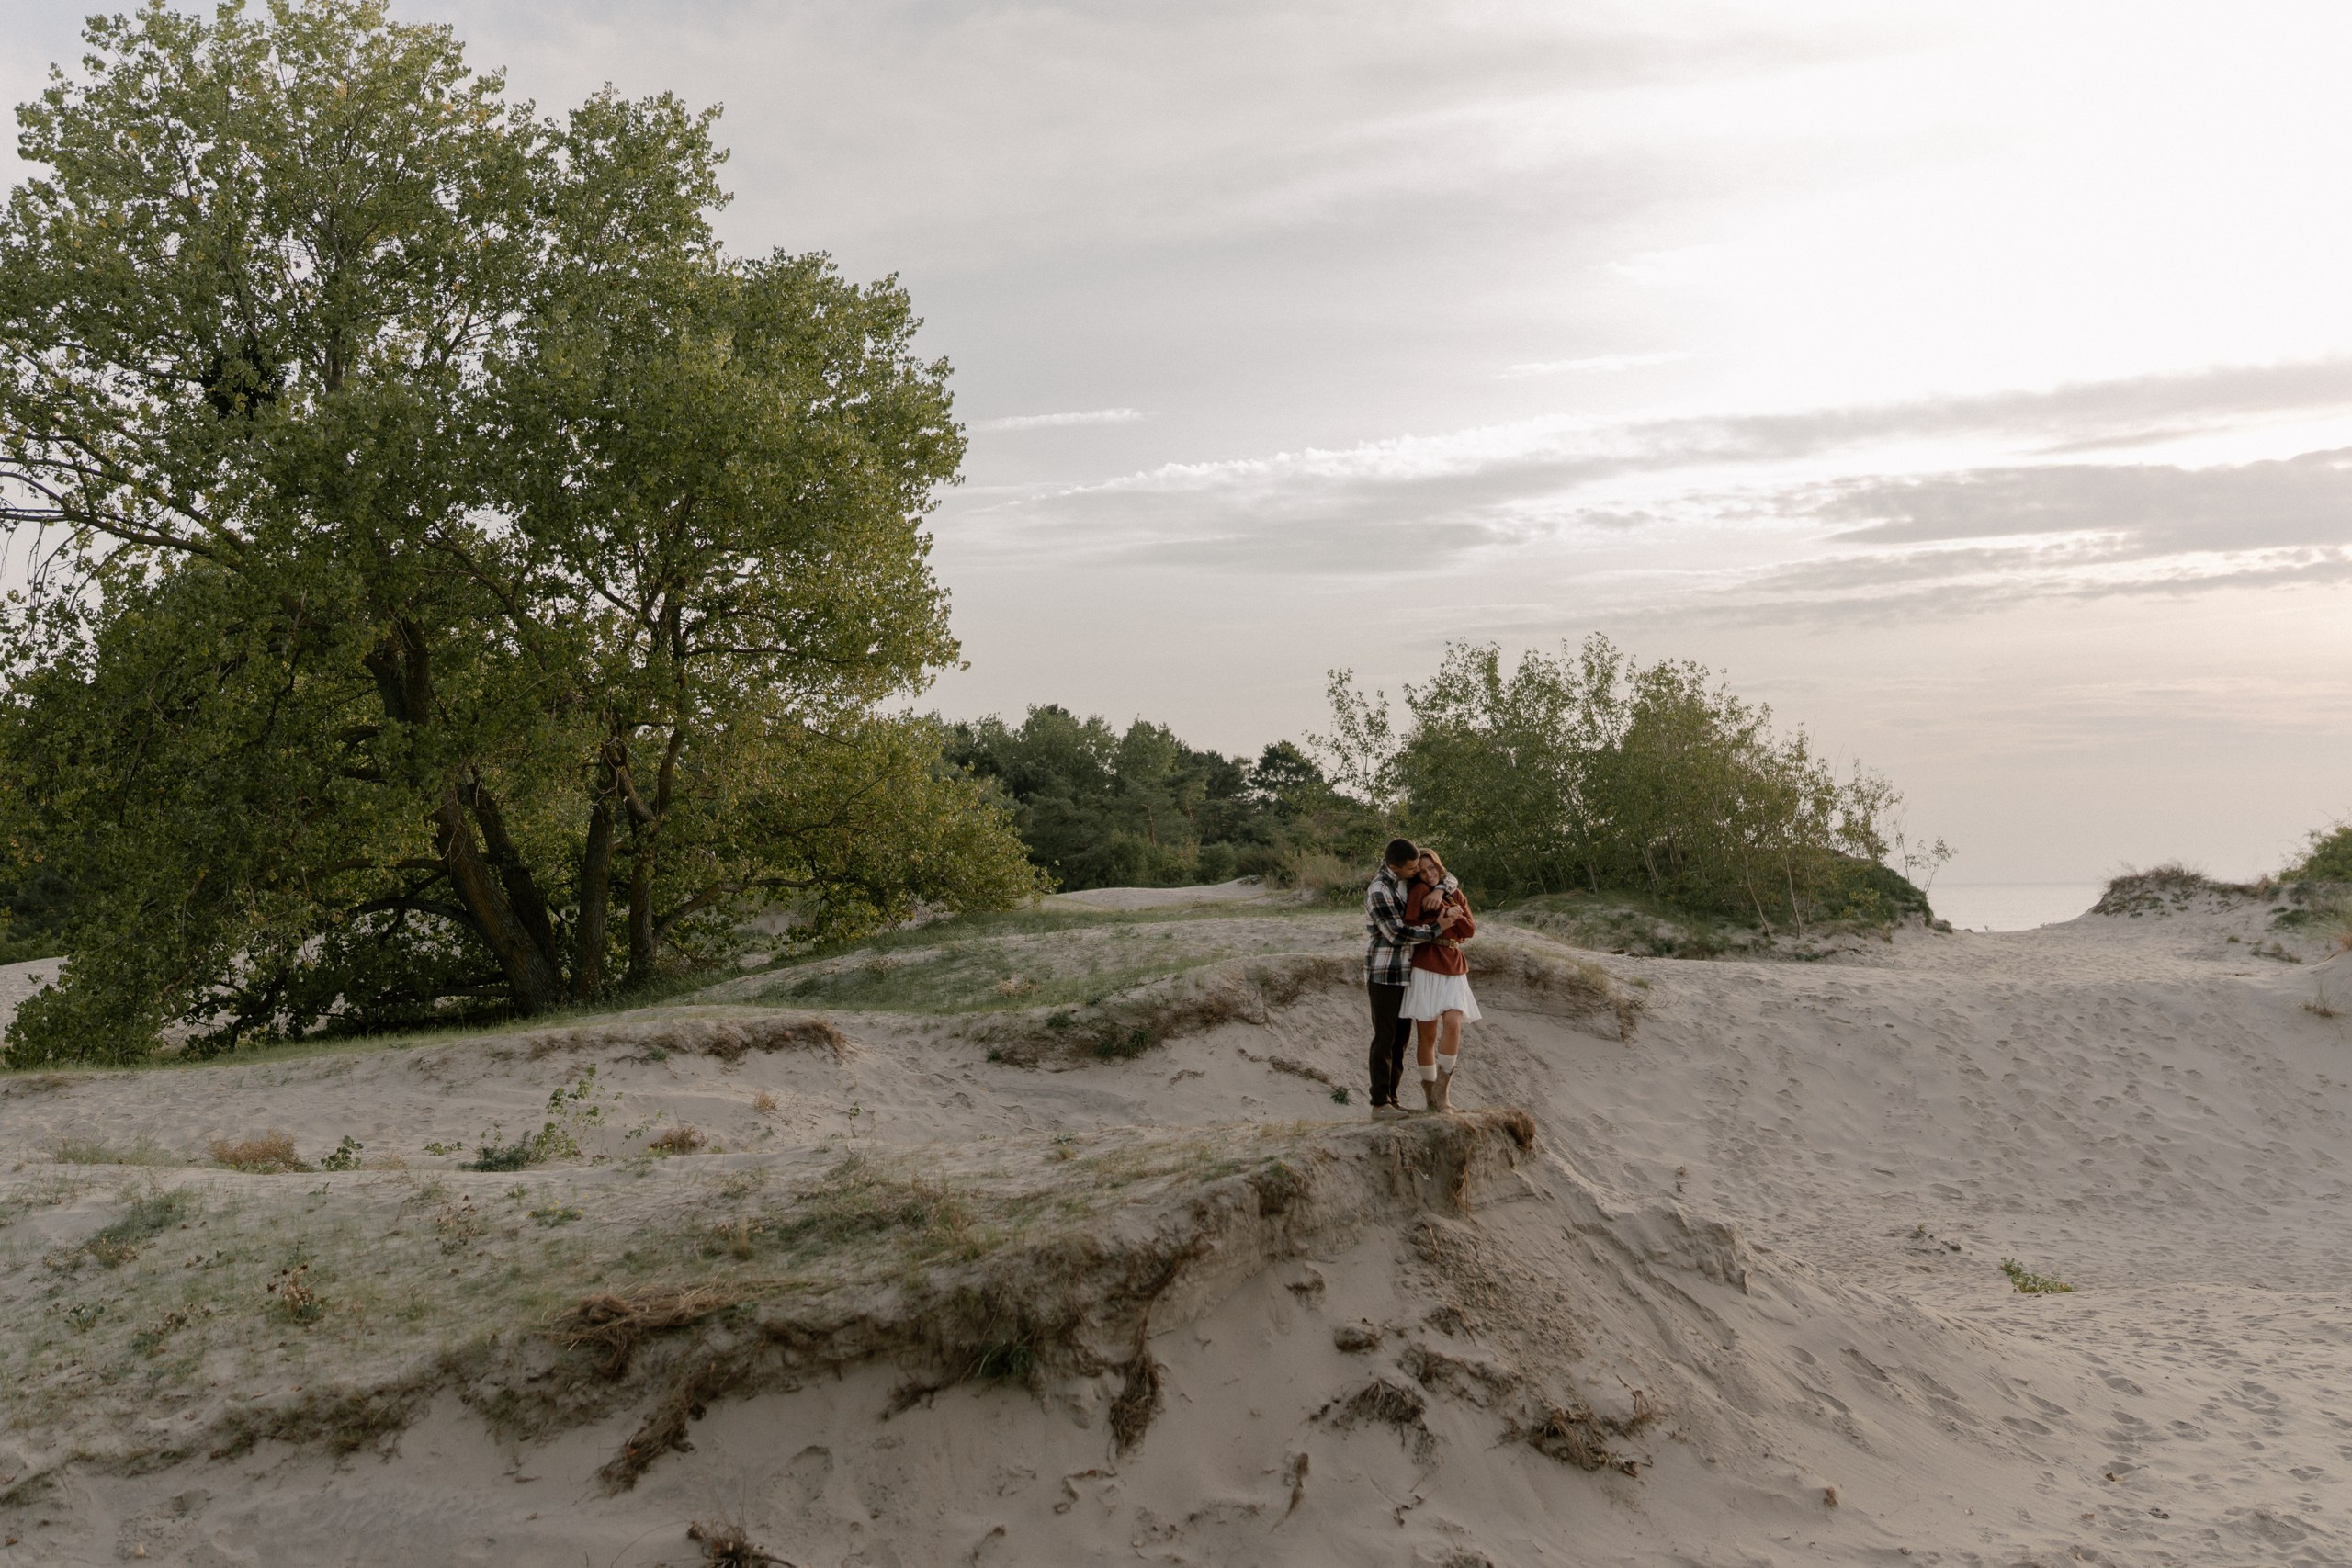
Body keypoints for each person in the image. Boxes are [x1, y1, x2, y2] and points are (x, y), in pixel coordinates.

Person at [1363, 838, 1456, 1117]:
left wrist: (1438, 890)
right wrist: (1436, 928)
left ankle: (1393, 1100)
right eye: (1413, 868)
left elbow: (1448, 877)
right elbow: (1396, 934)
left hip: (1406, 973)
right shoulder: (1379, 890)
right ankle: (1379, 1104)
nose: (1418, 871)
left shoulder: (1404, 879)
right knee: (1384, 1038)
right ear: (1395, 867)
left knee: (1400, 1040)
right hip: (1385, 973)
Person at [1399, 850, 1477, 1111]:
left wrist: (1444, 904)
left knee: (1453, 1024)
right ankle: (1431, 1101)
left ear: (1439, 866)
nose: (1428, 874)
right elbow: (1411, 922)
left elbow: (1469, 930)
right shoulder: (1418, 891)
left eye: (1432, 868)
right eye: (1422, 871)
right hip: (1427, 963)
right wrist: (1443, 913)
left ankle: (1442, 1093)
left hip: (1454, 963)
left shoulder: (1455, 892)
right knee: (1427, 1035)